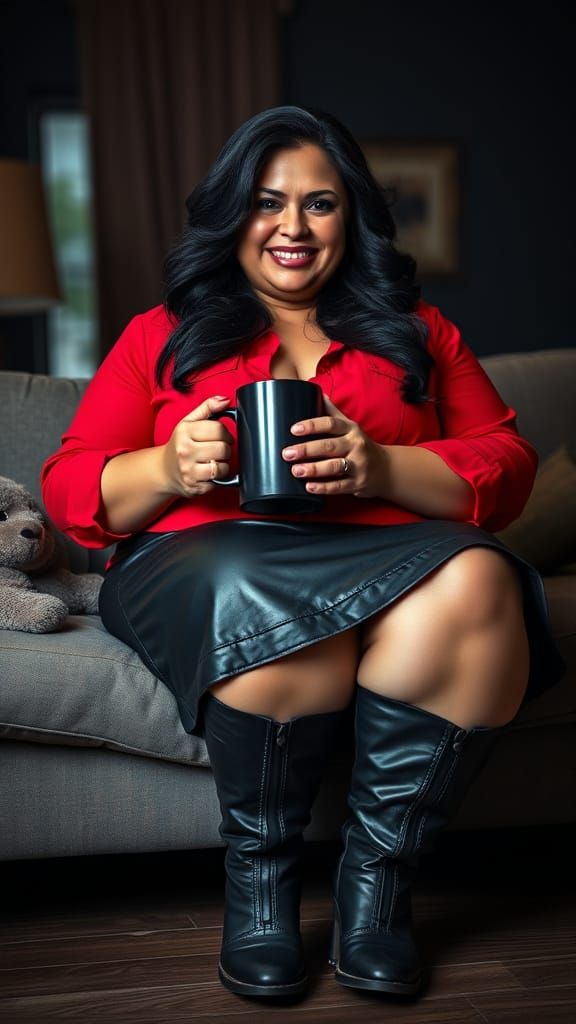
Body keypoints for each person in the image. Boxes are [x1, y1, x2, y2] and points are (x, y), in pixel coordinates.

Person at [41, 105, 564, 1001]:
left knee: (480, 574)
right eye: (266, 201)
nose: (292, 226)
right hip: (203, 560)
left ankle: (379, 891)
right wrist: (167, 465)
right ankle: (263, 889)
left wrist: (382, 465)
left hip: (392, 561)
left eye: (320, 204)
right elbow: (69, 489)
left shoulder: (419, 332)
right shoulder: (160, 334)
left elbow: (506, 466)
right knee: (259, 586)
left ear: (350, 216)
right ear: (233, 215)